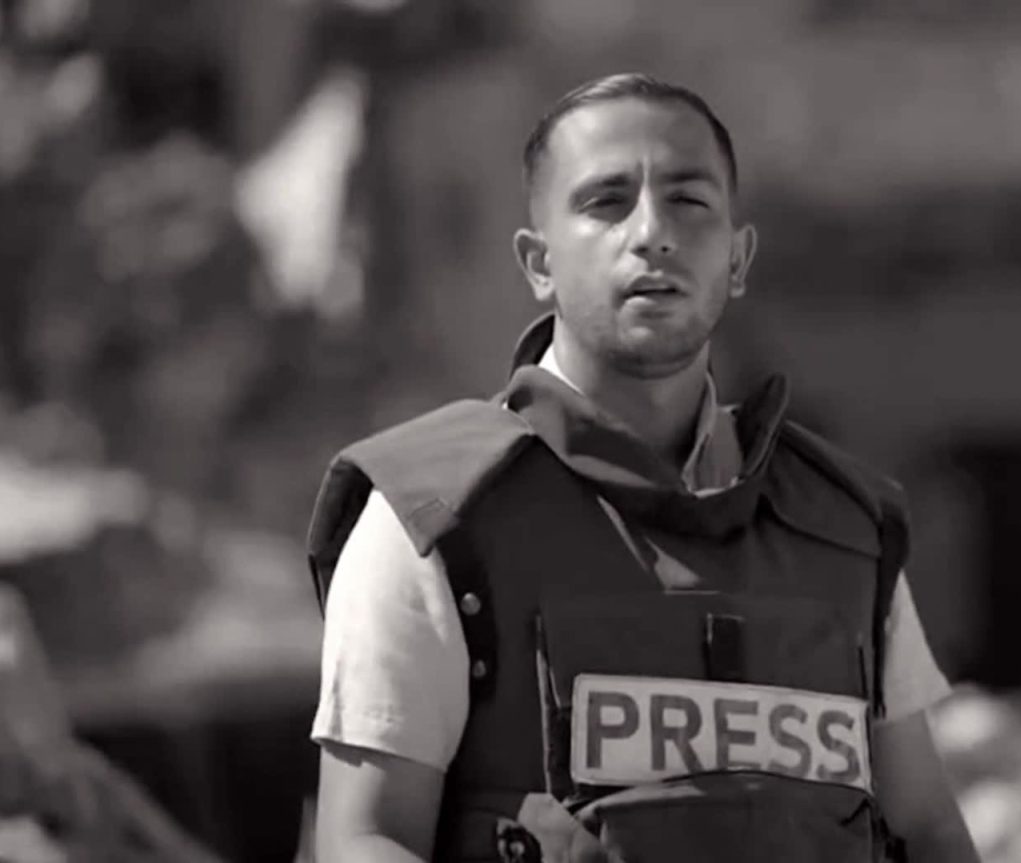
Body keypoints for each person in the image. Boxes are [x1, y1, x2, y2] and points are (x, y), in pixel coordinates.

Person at [306, 73, 979, 863]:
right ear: (538, 263)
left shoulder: (844, 529)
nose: (653, 232)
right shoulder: (433, 516)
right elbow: (367, 837)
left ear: (738, 258)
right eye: (606, 202)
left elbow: (927, 826)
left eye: (689, 200)